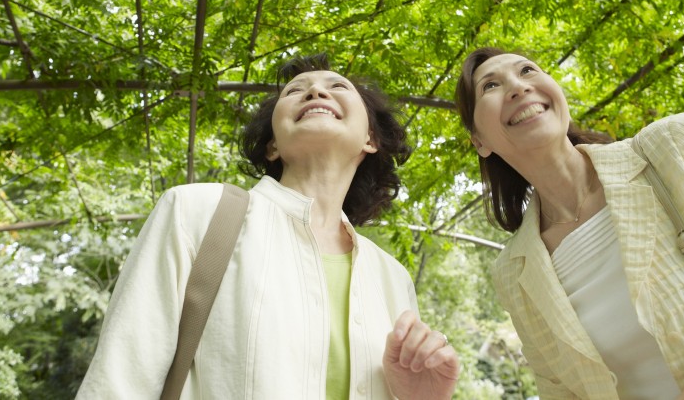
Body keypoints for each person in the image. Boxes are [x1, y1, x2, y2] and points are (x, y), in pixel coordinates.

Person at [78, 54, 459, 399]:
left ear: (370, 139)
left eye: (337, 86)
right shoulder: (196, 212)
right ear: (273, 146)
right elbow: (120, 378)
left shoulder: (392, 277)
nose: (314, 91)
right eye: (296, 91)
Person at [455, 46, 684, 399]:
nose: (518, 87)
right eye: (490, 86)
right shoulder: (514, 272)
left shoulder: (675, 144)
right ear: (479, 141)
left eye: (527, 70)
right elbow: (560, 391)